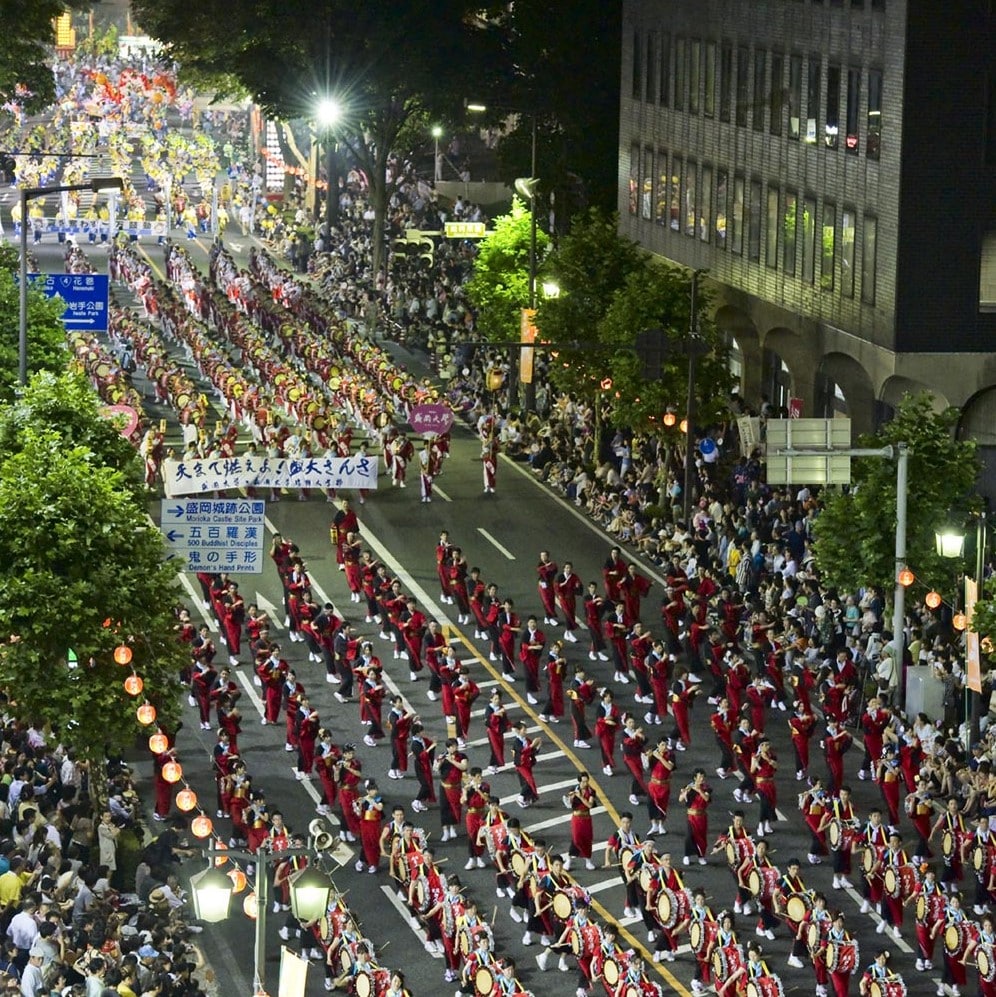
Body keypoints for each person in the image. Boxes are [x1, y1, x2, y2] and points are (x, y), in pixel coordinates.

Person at [679, 769, 711, 866]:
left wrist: (699, 790)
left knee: (701, 837)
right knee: (689, 836)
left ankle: (701, 856)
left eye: (703, 777)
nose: (702, 779)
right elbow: (680, 799)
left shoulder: (706, 788)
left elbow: (706, 798)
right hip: (692, 817)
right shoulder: (689, 787)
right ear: (695, 778)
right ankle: (686, 855)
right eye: (700, 777)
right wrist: (685, 793)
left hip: (702, 817)